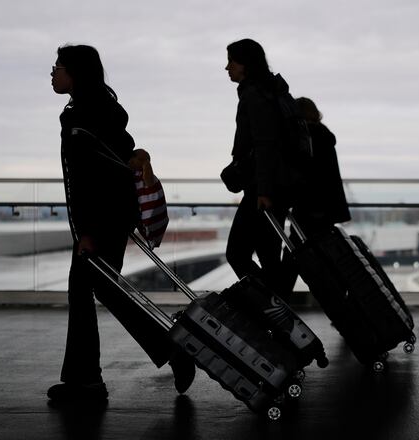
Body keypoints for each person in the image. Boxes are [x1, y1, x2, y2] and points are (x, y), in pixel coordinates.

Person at [48, 44, 194, 402]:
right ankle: (167, 352)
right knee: (100, 290)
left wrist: (89, 233)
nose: (52, 73)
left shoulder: (86, 114)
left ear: (75, 73)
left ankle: (89, 381)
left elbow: (95, 179)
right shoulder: (99, 110)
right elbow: (123, 157)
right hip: (109, 218)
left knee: (84, 292)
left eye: (58, 67)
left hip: (100, 222)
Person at [223, 38, 294, 295]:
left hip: (263, 189)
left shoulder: (255, 95)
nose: (227, 67)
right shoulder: (273, 91)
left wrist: (263, 191)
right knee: (268, 254)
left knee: (237, 253)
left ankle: (271, 304)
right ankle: (278, 307)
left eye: (232, 61)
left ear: (246, 64)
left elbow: (265, 144)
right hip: (278, 185)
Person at [280, 97, 351, 298]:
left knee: (295, 252)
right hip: (326, 208)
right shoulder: (324, 137)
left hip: (309, 206)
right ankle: (340, 297)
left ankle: (280, 297)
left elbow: (304, 173)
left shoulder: (307, 138)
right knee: (320, 254)